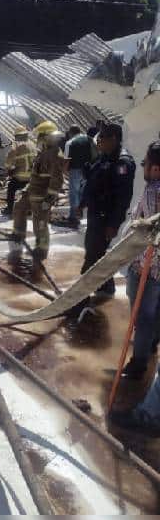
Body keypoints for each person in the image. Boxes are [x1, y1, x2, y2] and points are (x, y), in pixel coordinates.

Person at [116, 142, 160, 380]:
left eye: (146, 163)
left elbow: (152, 234)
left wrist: (141, 264)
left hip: (149, 266)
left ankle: (139, 362)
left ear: (155, 168)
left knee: (142, 315)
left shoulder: (154, 190)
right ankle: (152, 343)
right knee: (156, 312)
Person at [78, 123, 135, 297]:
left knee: (93, 255)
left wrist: (113, 224)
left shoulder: (122, 163)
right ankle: (105, 286)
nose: (99, 140)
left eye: (102, 137)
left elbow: (122, 198)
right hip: (96, 214)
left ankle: (80, 296)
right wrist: (82, 204)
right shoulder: (105, 157)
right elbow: (93, 182)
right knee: (94, 252)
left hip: (106, 217)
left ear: (114, 139)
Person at [10, 121, 65, 264]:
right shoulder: (44, 153)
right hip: (32, 192)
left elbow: (57, 180)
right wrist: (26, 190)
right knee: (19, 207)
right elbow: (35, 175)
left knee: (39, 223)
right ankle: (18, 234)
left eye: (40, 136)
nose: (38, 139)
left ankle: (42, 250)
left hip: (42, 197)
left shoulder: (54, 155)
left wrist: (49, 199)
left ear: (47, 137)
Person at [55, 125, 96, 228]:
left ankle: (73, 218)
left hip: (75, 170)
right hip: (89, 169)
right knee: (84, 192)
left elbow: (67, 160)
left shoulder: (70, 142)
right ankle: (82, 213)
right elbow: (96, 153)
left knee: (74, 194)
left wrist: (64, 172)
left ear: (70, 133)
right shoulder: (89, 139)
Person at [1, 125, 36, 216]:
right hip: (31, 176)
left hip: (20, 176)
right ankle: (29, 210)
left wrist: (8, 169)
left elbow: (10, 159)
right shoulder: (32, 144)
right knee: (28, 192)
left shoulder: (16, 145)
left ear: (17, 136)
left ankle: (9, 209)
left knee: (11, 188)